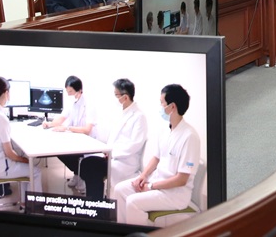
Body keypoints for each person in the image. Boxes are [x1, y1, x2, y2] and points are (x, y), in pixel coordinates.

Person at [114, 84, 201, 225]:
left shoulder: (189, 136)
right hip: (156, 182)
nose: (160, 107)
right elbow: (156, 158)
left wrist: (151, 186)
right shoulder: (165, 130)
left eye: (162, 103)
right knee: (119, 190)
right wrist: (142, 177)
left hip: (174, 194)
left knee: (133, 202)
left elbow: (182, 179)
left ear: (172, 107)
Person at [77, 78, 147, 201]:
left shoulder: (139, 117)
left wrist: (111, 153)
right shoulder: (123, 113)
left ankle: (96, 205)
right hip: (113, 156)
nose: (115, 99)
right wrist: (107, 151)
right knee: (86, 164)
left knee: (90, 167)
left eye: (116, 95)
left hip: (125, 162)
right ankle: (96, 202)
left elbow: (134, 145)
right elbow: (113, 138)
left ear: (125, 97)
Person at [0, 76, 42, 192]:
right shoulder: (1, 117)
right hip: (0, 168)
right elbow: (10, 153)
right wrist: (24, 160)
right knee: (35, 171)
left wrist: (21, 159)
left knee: (23, 159)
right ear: (6, 93)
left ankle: (25, 203)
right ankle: (36, 206)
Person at [46, 75, 97, 193]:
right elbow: (62, 118)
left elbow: (87, 130)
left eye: (71, 91)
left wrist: (67, 128)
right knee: (58, 151)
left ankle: (82, 177)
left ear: (79, 90)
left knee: (71, 153)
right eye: (67, 91)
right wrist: (49, 124)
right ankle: (77, 174)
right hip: (76, 137)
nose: (69, 94)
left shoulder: (89, 104)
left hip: (88, 140)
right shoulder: (71, 101)